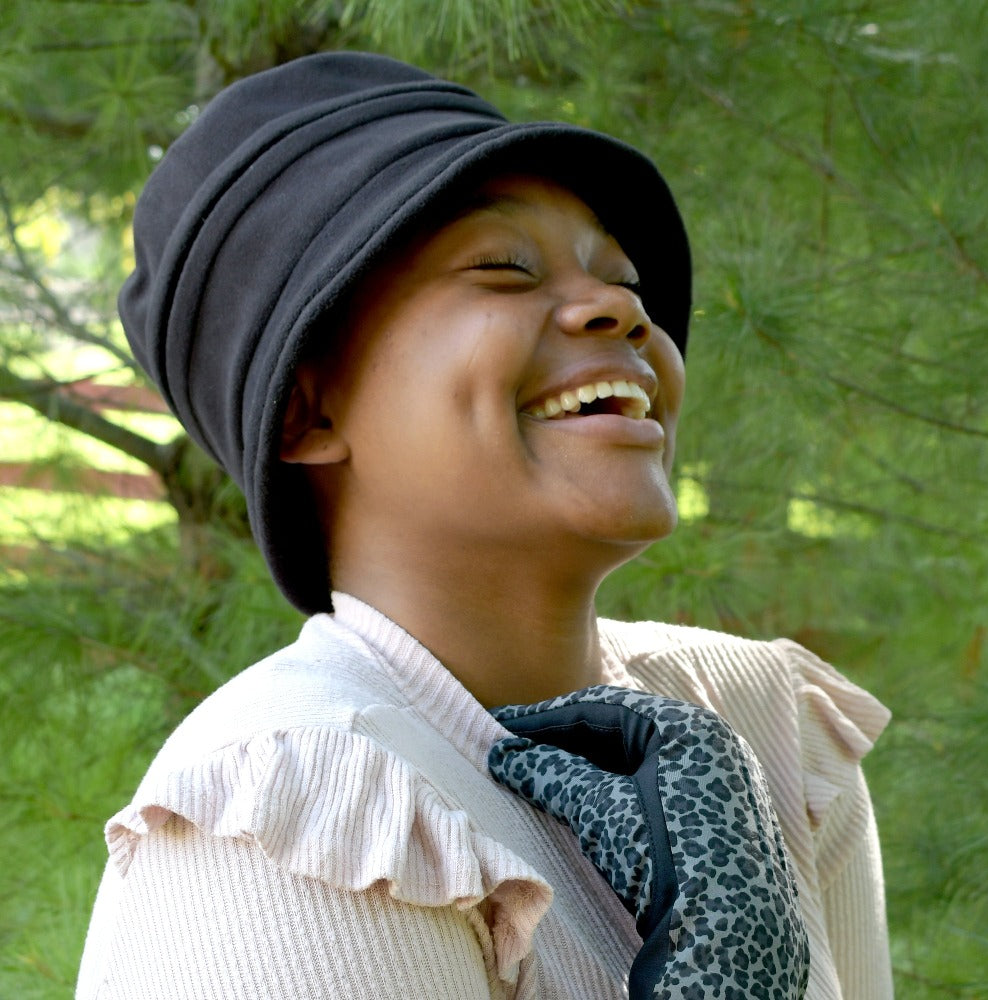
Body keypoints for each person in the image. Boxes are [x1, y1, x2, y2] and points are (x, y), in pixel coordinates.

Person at [76, 52, 893, 999]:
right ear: (309, 410)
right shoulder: (294, 810)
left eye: (622, 280)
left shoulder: (765, 728)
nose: (622, 310)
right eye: (504, 269)